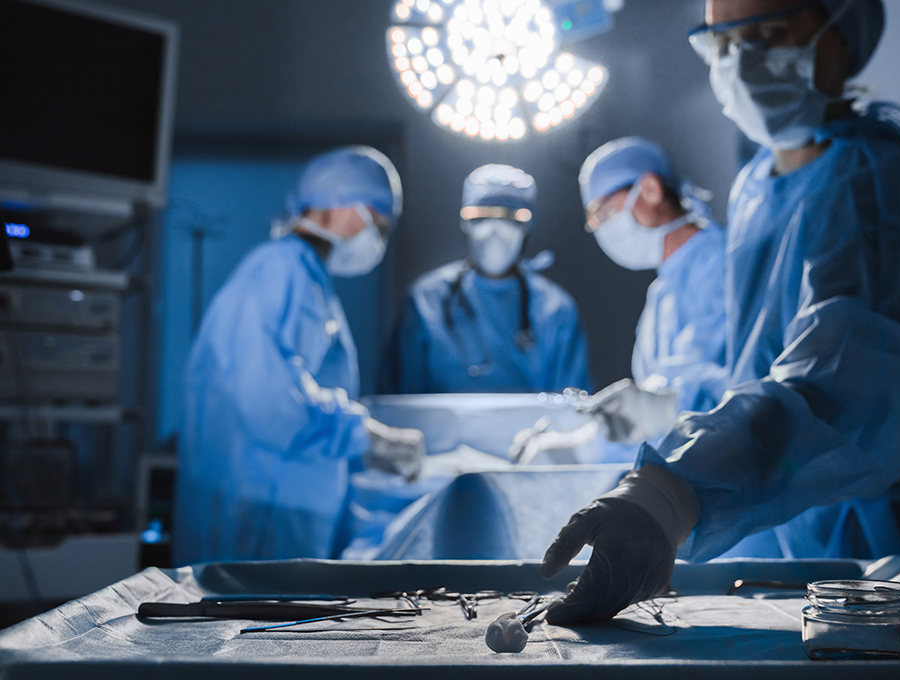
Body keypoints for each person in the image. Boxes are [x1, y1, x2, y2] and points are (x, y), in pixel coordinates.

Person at [540, 0, 900, 624]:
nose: (743, 62)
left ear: (840, 37)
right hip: (792, 529)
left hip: (896, 536)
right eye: (724, 44)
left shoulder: (872, 178)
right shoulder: (757, 188)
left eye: (769, 35)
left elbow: (840, 386)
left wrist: (674, 489)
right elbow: (755, 368)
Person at [175, 146, 425, 565]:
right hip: (261, 513)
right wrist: (365, 435)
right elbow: (269, 401)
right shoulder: (279, 271)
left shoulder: (307, 278)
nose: (380, 236)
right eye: (379, 222)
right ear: (345, 210)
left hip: (281, 509)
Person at [386, 164, 591, 394]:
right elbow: (400, 402)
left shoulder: (555, 309)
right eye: (482, 216)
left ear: (528, 225)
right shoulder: (426, 300)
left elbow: (572, 406)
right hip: (438, 432)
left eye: (509, 216)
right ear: (465, 221)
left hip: (535, 431)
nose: (495, 228)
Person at [575, 137, 728, 444]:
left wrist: (663, 409)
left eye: (606, 213)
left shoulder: (723, 264)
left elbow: (734, 388)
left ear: (650, 190)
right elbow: (649, 424)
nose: (604, 229)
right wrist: (584, 442)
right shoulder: (662, 293)